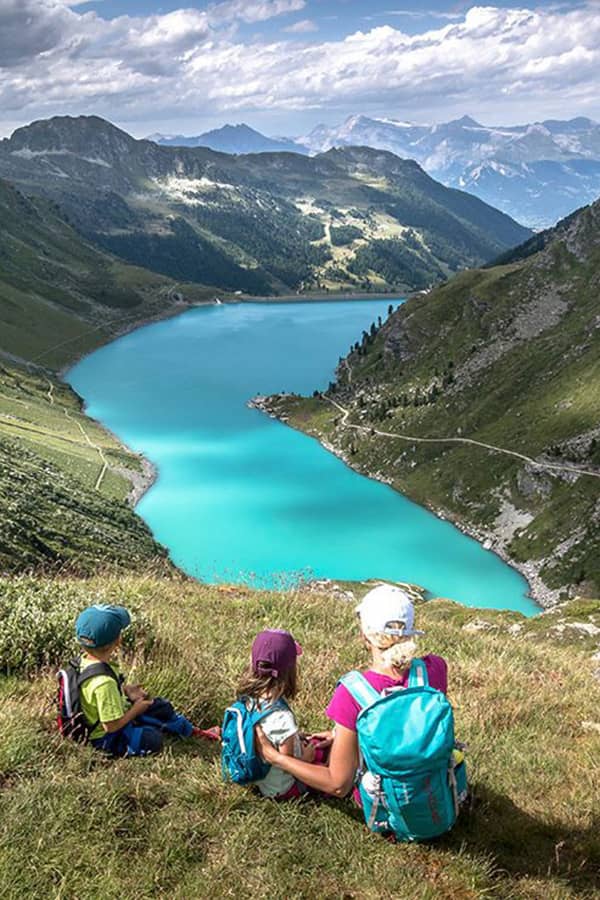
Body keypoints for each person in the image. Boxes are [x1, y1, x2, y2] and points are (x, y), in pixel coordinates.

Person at [255, 584, 448, 801]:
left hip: (388, 806)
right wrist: (344, 736)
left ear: (365, 635)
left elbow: (338, 785)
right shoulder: (435, 668)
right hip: (434, 793)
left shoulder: (353, 691)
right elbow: (410, 723)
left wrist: (276, 758)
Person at [75, 603, 215, 756]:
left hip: (116, 715)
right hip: (106, 738)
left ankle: (193, 731)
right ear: (118, 640)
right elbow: (110, 726)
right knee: (152, 739)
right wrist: (135, 710)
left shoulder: (85, 662)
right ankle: (162, 728)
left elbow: (94, 696)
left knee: (162, 706)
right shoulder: (104, 682)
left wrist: (125, 691)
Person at [237, 629, 326, 799]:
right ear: (290, 671)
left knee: (317, 743)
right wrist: (307, 760)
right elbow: (287, 764)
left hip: (261, 777)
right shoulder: (281, 717)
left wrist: (294, 737)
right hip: (282, 789)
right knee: (327, 764)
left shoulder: (248, 701)